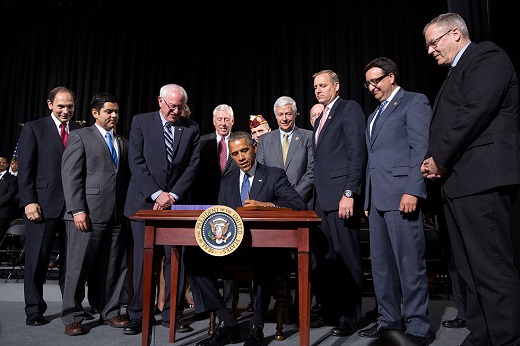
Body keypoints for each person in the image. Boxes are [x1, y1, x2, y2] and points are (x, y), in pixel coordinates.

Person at [421, 12, 520, 346]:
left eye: (433, 43)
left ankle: (506, 338)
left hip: (482, 180)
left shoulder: (487, 56)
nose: (430, 51)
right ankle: (482, 336)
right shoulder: (454, 72)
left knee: (491, 268)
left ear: (455, 33)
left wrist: (439, 159)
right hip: (457, 186)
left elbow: (473, 112)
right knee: (469, 270)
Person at [184, 131, 307, 346]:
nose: (241, 157)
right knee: (193, 257)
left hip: (266, 248)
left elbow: (298, 204)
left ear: (255, 149)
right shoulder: (228, 182)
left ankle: (256, 325)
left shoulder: (274, 175)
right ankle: (226, 320)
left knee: (264, 257)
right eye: (235, 154)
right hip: (234, 247)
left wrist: (265, 205)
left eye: (244, 150)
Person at [356, 57, 432, 345]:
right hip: (376, 201)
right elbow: (371, 160)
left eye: (376, 80)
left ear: (392, 77)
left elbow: (420, 149)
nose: (372, 86)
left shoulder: (414, 102)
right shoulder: (373, 114)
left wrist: (413, 190)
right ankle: (389, 319)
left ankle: (418, 328)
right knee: (381, 267)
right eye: (368, 83)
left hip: (403, 197)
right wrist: (367, 197)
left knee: (409, 264)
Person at [123, 83, 200, 335]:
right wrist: (157, 194)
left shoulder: (192, 128)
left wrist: (171, 196)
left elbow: (193, 165)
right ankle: (138, 315)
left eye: (180, 107)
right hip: (144, 203)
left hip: (176, 205)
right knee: (142, 262)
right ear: (160, 101)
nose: (176, 111)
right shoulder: (140, 122)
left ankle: (172, 314)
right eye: (171, 106)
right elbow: (136, 161)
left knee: (177, 260)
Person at [60, 93, 130, 335]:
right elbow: (71, 176)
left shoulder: (122, 141)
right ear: (95, 113)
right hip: (86, 215)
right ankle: (72, 316)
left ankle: (110, 311)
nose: (114, 116)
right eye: (109, 111)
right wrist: (77, 209)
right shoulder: (80, 136)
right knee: (78, 267)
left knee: (114, 267)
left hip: (116, 216)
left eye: (116, 112)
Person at [17, 86, 83, 326]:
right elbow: (25, 170)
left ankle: (72, 308)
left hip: (73, 208)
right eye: (61, 106)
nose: (66, 111)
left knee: (72, 262)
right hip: (41, 207)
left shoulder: (80, 130)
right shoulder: (33, 129)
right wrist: (29, 201)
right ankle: (34, 309)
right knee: (37, 260)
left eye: (70, 106)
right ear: (49, 105)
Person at [310, 69, 367, 337]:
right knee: (327, 258)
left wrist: (349, 193)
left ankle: (349, 315)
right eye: (315, 87)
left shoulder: (349, 108)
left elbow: (356, 154)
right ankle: (331, 310)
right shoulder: (320, 116)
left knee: (348, 257)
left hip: (341, 197)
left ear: (336, 85)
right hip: (322, 199)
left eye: (323, 85)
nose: (318, 90)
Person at [257, 96, 314, 205]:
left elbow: (312, 171)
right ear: (275, 116)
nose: (284, 118)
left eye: (288, 114)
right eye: (280, 114)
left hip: (302, 201)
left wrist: (293, 197)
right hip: (272, 202)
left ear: (295, 114)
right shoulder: (265, 139)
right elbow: (261, 172)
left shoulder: (308, 137)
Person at [0, 156, 18, 241]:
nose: (1, 164)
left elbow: (9, 195)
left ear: (7, 165)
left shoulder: (12, 178)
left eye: (3, 162)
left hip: (2, 212)